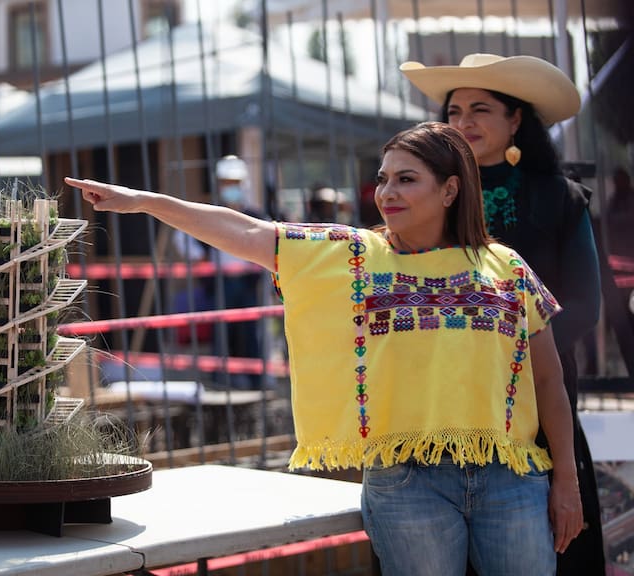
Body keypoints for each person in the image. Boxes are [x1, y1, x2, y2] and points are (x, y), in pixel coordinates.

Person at [65, 121, 583, 575]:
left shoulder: (507, 268)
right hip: (407, 484)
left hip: (512, 478)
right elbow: (245, 230)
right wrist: (144, 202)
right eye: (383, 178)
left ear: (450, 190)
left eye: (406, 179)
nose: (387, 192)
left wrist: (567, 481)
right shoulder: (352, 256)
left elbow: (548, 381)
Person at [400, 53, 605, 574]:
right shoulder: (423, 197)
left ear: (516, 120)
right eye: (453, 111)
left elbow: (585, 305)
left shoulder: (561, 198)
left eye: (480, 109)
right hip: (441, 401)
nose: (463, 121)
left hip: (539, 394)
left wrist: (510, 360)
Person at [172, 155, 267, 389]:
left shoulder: (254, 215)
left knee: (249, 332)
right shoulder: (211, 213)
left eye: (235, 182)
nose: (231, 187)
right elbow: (181, 237)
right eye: (226, 182)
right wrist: (199, 256)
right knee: (222, 331)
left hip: (247, 281)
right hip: (221, 282)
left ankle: (255, 381)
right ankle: (219, 380)